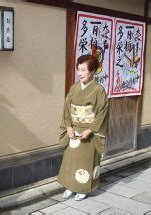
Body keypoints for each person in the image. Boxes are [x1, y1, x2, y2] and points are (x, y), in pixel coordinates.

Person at [57, 54, 109, 201]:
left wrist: (90, 130)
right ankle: (69, 186)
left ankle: (83, 188)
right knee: (70, 159)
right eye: (78, 70)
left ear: (92, 71)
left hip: (89, 132)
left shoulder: (98, 90)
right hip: (73, 130)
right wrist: (68, 127)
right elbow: (67, 108)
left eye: (83, 70)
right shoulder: (74, 88)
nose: (80, 73)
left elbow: (101, 113)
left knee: (85, 161)